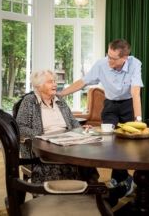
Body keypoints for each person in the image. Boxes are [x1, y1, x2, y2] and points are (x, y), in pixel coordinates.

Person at [59, 39, 143, 204]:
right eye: (108, 55)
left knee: (126, 145)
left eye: (113, 58)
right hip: (110, 104)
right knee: (109, 141)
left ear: (124, 58)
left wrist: (138, 120)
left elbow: (135, 92)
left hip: (128, 105)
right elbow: (82, 82)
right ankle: (124, 180)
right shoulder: (101, 64)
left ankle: (119, 180)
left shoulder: (134, 64)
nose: (108, 60)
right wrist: (61, 94)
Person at [16, 70, 99, 184]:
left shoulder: (60, 100)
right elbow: (20, 127)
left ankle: (89, 188)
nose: (55, 84)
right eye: (50, 82)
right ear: (39, 86)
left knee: (86, 155)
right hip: (45, 146)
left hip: (67, 142)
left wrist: (81, 128)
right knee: (72, 158)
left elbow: (72, 120)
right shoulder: (29, 101)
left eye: (55, 81)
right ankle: (70, 189)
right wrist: (42, 136)